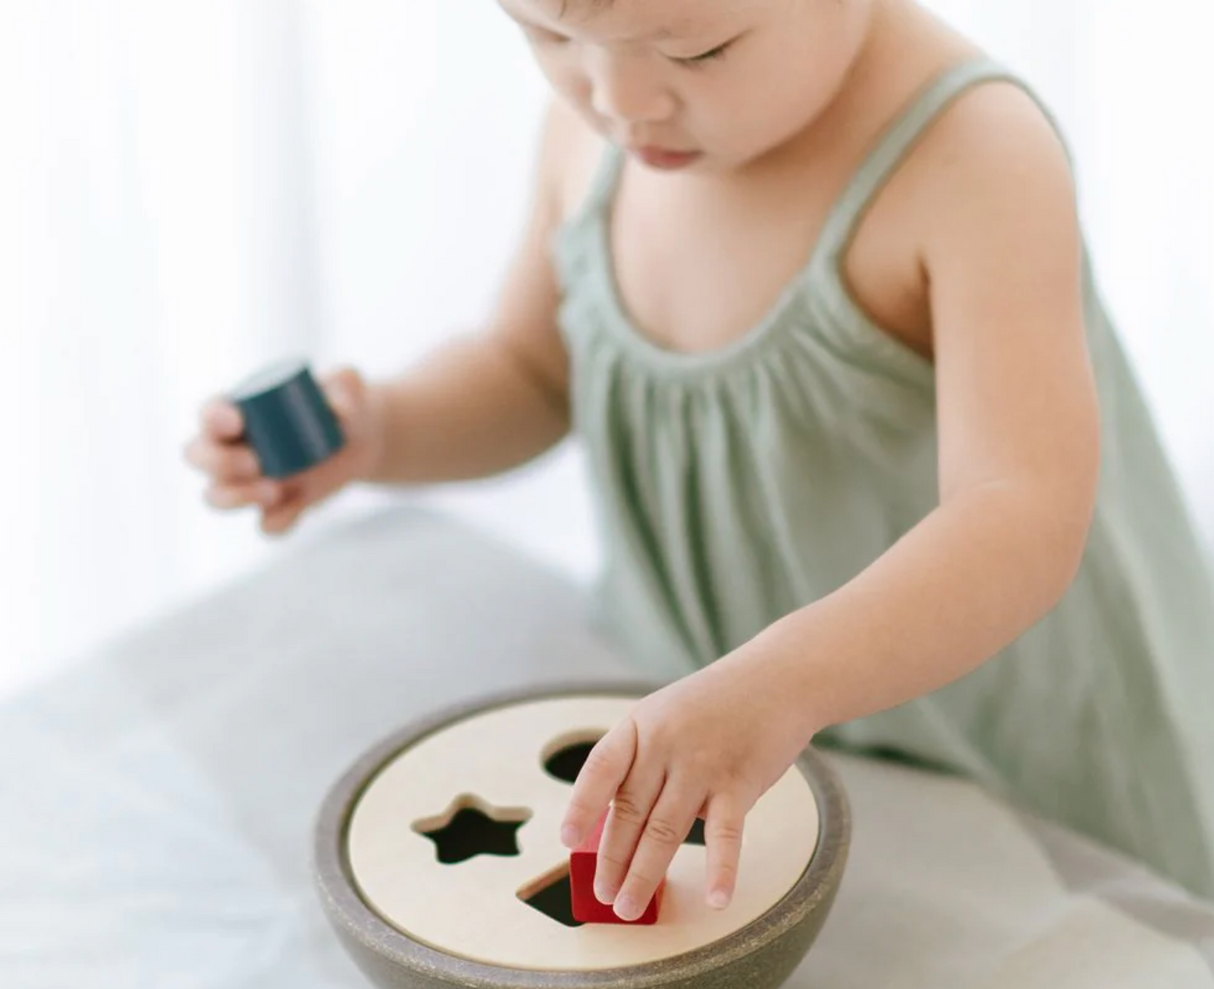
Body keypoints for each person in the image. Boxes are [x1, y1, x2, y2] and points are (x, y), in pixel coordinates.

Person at [185, 0, 1214, 915]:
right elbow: (530, 372)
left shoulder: (971, 156)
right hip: (753, 746)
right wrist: (383, 433)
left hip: (1007, 749)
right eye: (547, 36)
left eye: (702, 48)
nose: (620, 99)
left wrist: (781, 686)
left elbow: (1019, 511)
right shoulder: (591, 134)